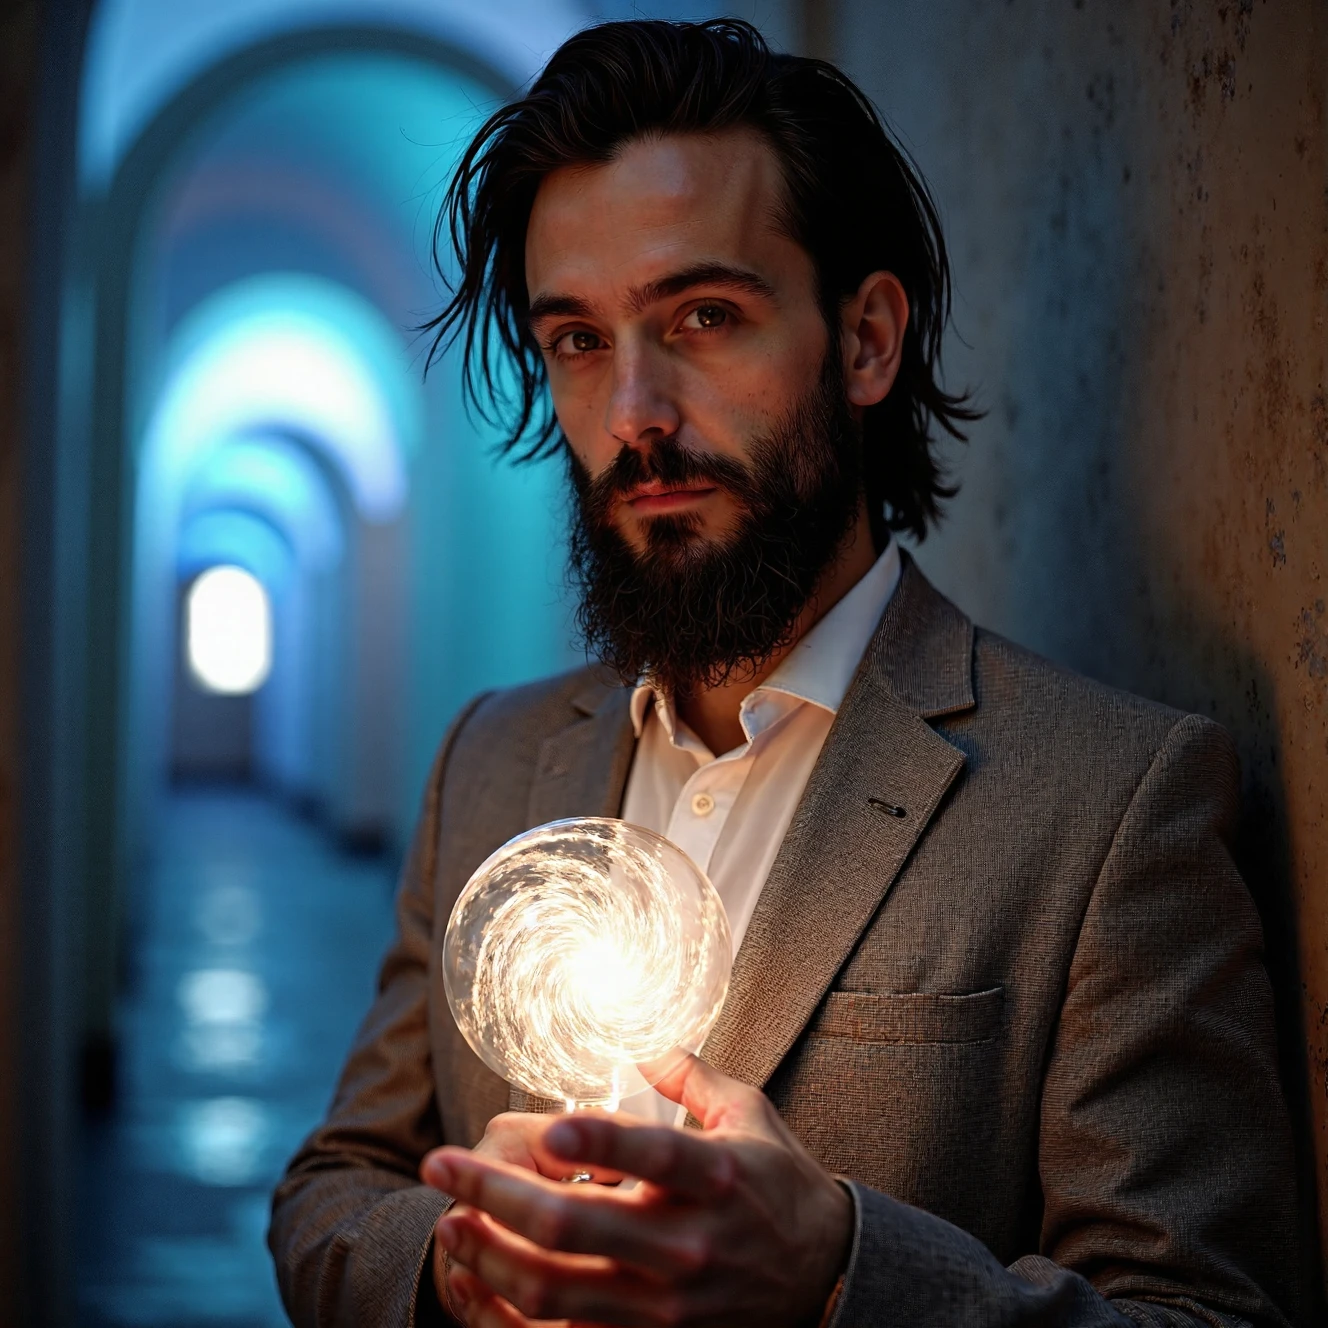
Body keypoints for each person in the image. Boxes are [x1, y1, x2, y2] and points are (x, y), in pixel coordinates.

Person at [268, 19, 1303, 1328]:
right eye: (578, 340)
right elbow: (330, 1190)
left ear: (867, 340)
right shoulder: (491, 764)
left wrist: (835, 1272)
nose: (635, 412)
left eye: (704, 316)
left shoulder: (1110, 804)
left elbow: (1210, 1313)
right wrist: (455, 1266)